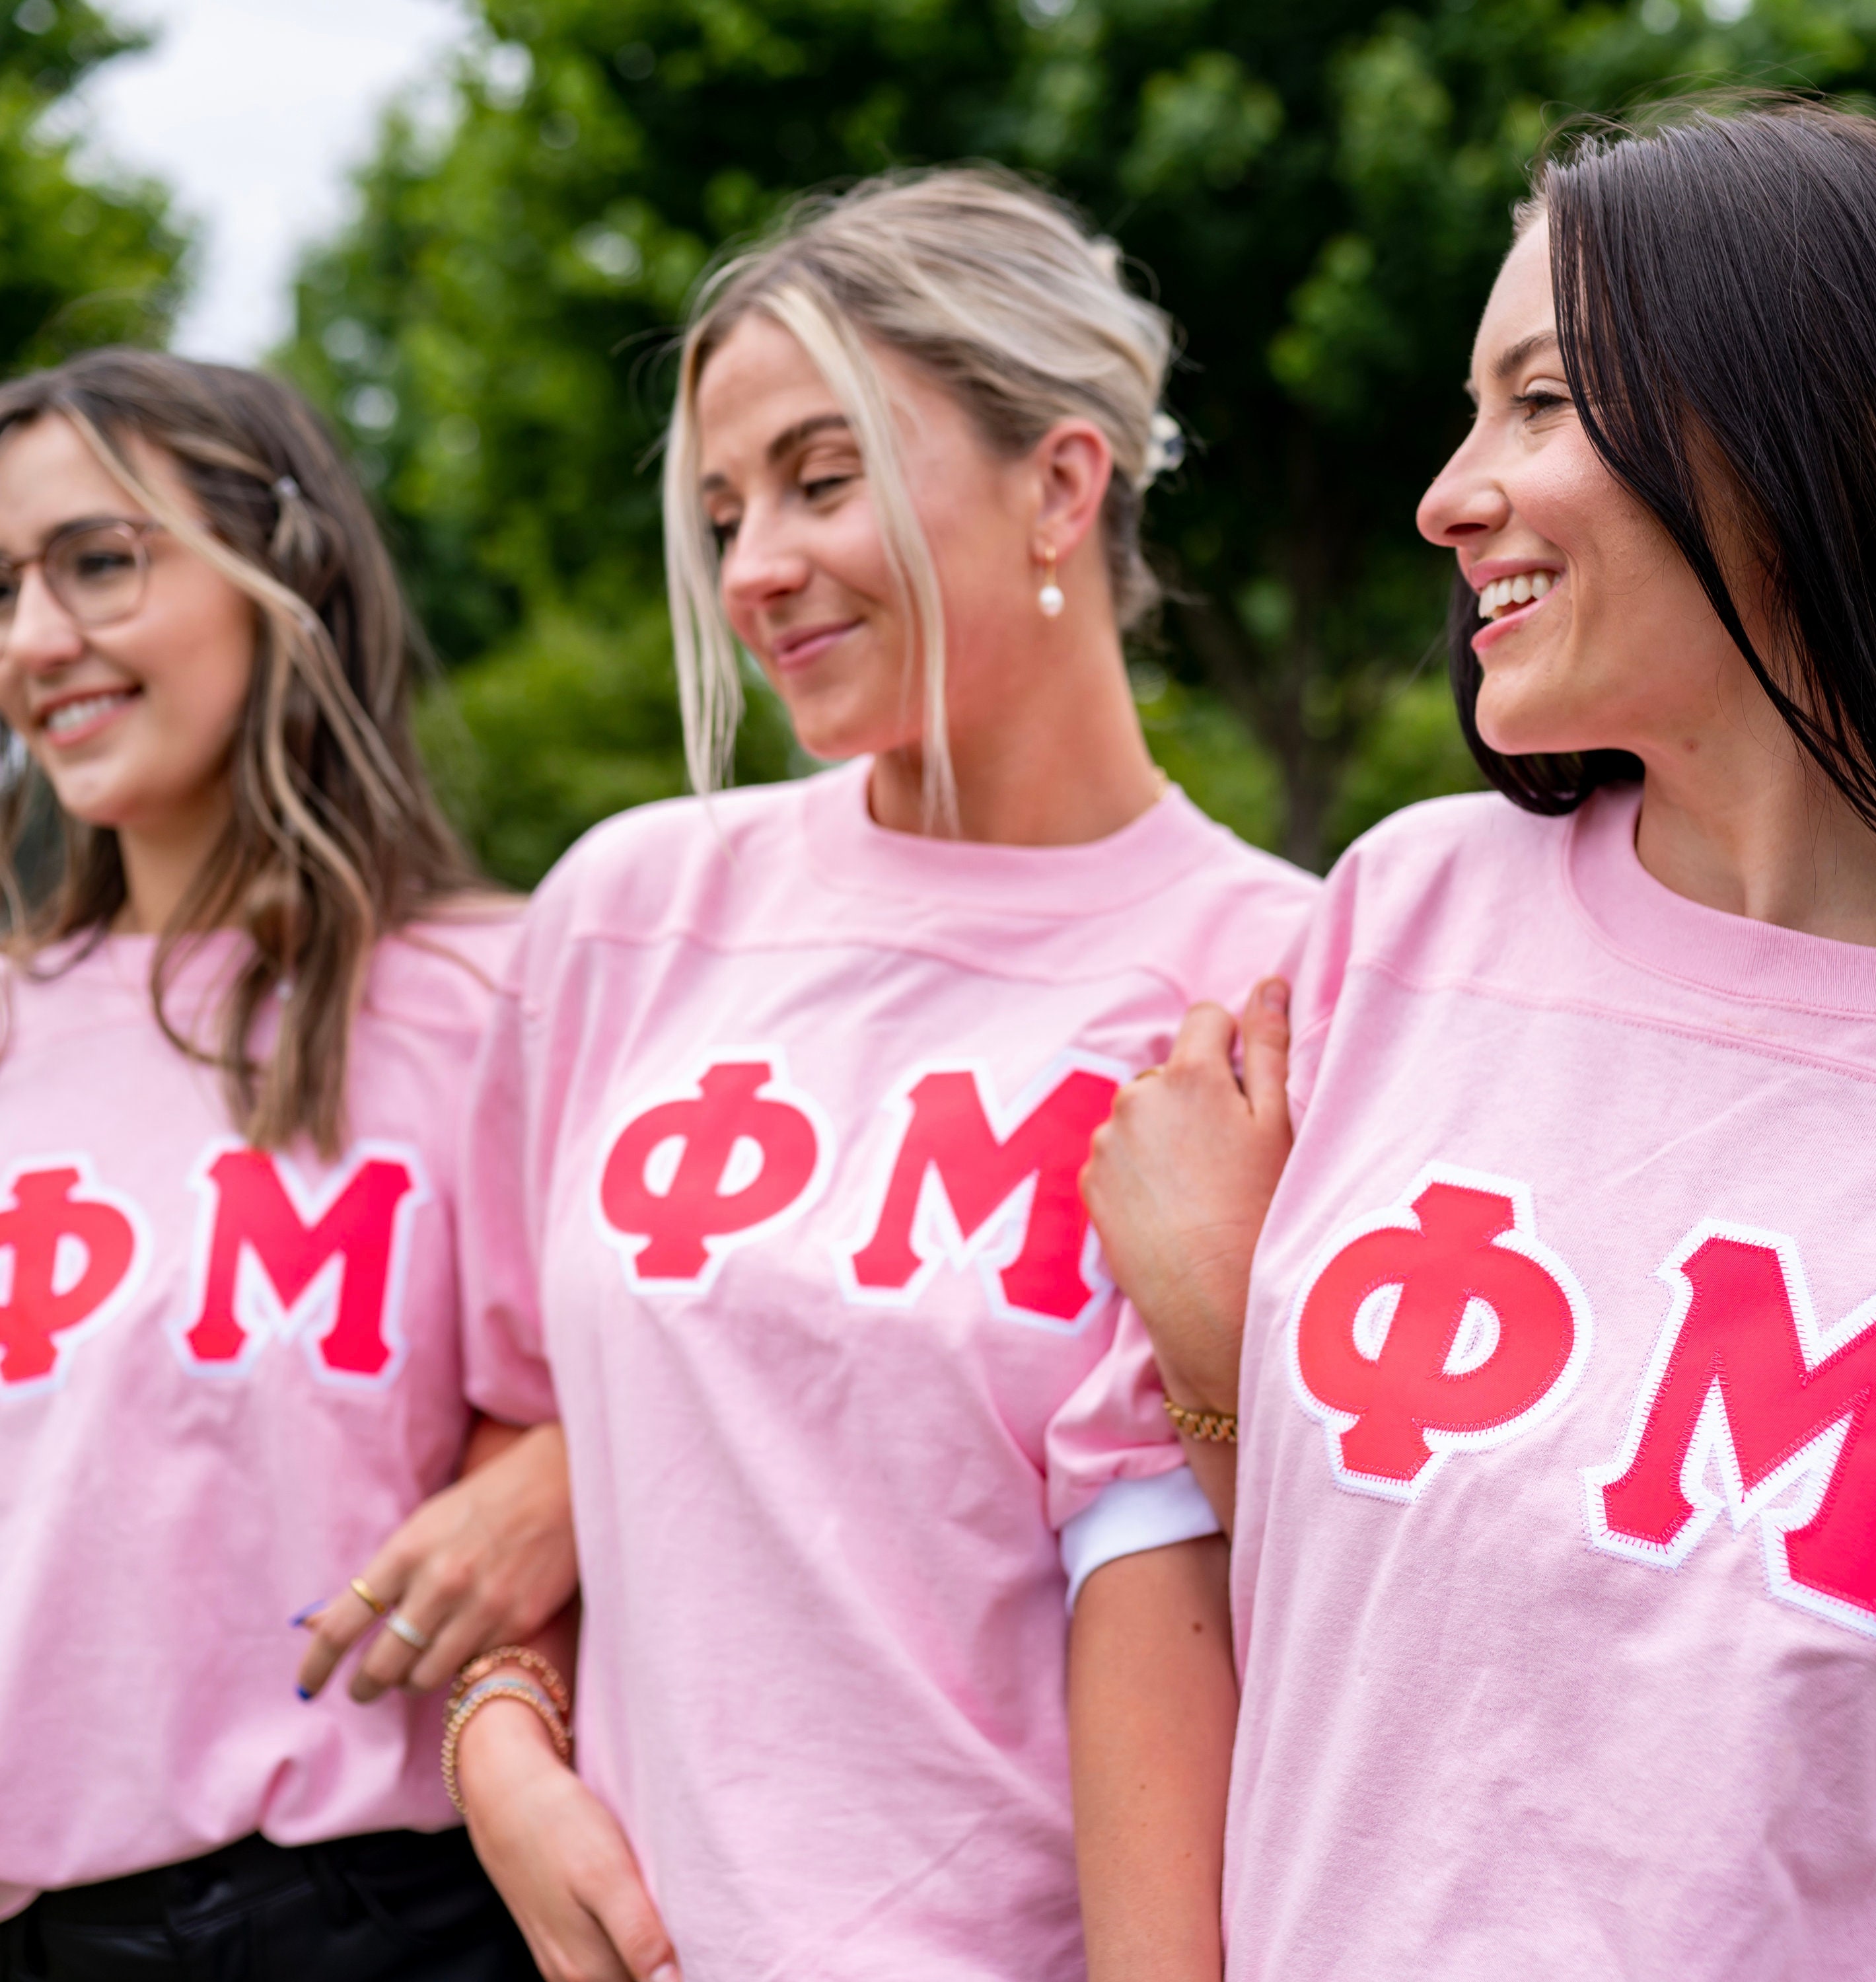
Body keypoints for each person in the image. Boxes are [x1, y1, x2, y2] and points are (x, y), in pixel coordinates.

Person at [1081, 100, 1876, 1979]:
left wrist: (1226, 1313)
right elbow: (1274, 1572)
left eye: (1543, 402)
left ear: (1819, 425)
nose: (1446, 494)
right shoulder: (1404, 923)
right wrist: (1213, 1333)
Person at [449, 167, 1324, 1982]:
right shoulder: (627, 914)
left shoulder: (1279, 980)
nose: (754, 564)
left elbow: (1252, 1574)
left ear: (1064, 486)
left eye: (822, 478)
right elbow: (518, 1415)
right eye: (720, 507)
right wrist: (497, 1738)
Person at [0, 349, 577, 1981]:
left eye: (98, 561)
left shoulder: (502, 994)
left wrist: (565, 1475)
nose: (38, 641)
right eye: (4, 589)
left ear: (291, 570)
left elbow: (699, 1384)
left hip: (388, 1918)